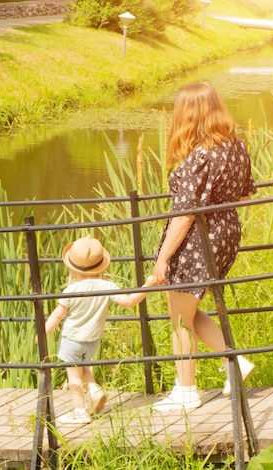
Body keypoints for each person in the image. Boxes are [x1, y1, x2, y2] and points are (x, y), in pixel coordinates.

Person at [151, 81, 257, 412]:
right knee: (188, 310)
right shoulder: (235, 146)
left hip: (198, 239)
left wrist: (162, 259)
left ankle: (186, 392)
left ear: (187, 115)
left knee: (179, 319)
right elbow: (244, 193)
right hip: (226, 232)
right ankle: (234, 362)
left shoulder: (199, 157)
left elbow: (183, 217)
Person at [45, 235, 158, 424]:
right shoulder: (107, 286)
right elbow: (129, 302)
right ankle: (95, 392)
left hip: (72, 339)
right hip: (92, 340)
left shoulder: (71, 291)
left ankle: (79, 412)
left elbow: (57, 315)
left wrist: (43, 333)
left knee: (73, 375)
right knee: (83, 367)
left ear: (72, 267)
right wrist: (148, 285)